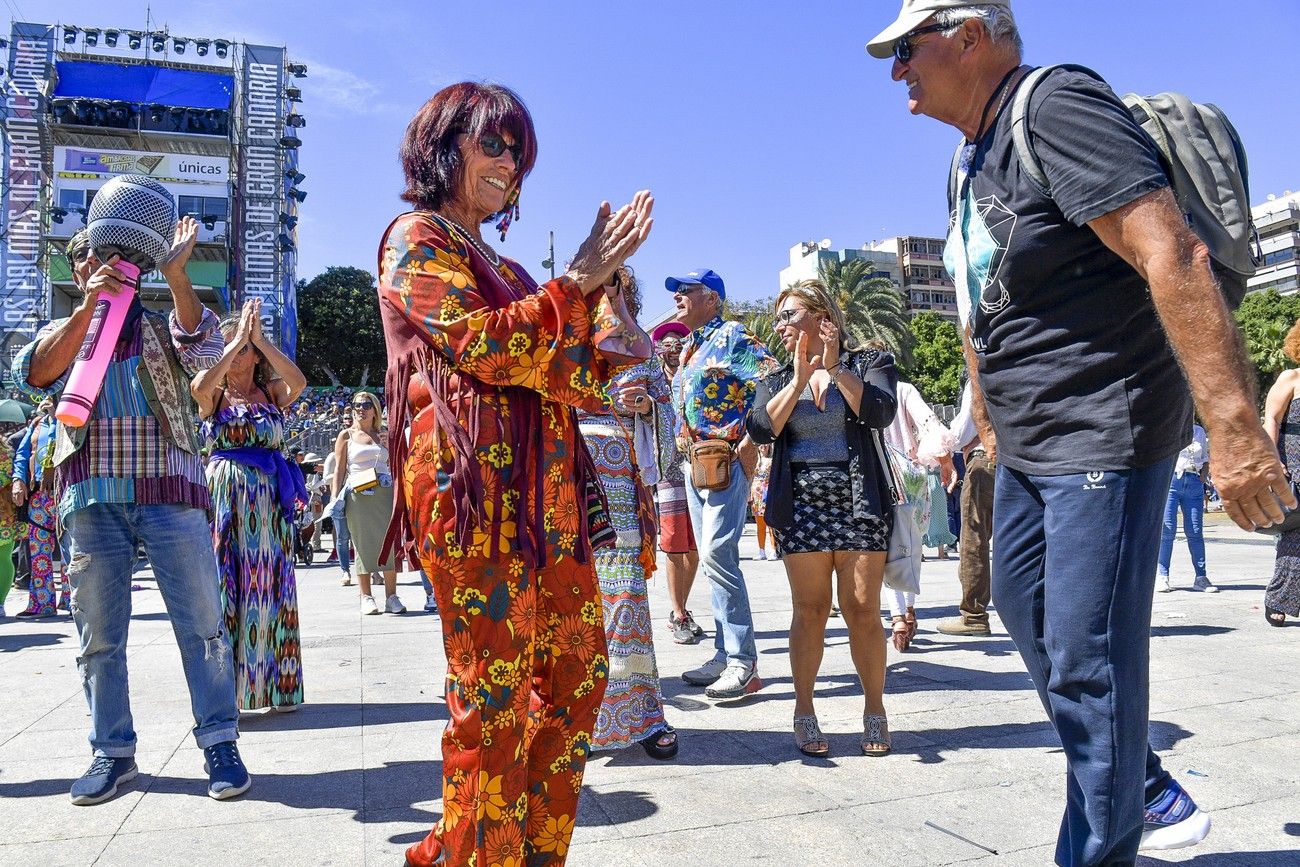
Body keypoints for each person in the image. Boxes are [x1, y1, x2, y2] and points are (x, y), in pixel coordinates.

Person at [868, 2, 1292, 861]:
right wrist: (987, 420)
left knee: (1087, 659)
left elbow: (1172, 253)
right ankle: (1138, 779)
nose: (898, 69)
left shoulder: (1056, 107)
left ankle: (1101, 837)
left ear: (970, 35)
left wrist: (1236, 428)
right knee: (1024, 609)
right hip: (1029, 444)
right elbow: (980, 301)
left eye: (908, 47)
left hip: (1103, 427)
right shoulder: (967, 158)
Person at [375, 81, 652, 867]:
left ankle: (519, 852)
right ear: (442, 148)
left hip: (548, 502)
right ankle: (471, 854)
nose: (509, 164)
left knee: (579, 675)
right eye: (492, 144)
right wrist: (576, 283)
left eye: (519, 153)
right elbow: (490, 347)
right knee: (492, 697)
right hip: (473, 498)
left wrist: (602, 293)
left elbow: (576, 374)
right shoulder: (415, 239)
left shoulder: (517, 269)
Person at [14, 223, 249, 804]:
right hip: (91, 496)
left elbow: (206, 351)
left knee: (202, 625)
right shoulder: (63, 331)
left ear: (136, 266)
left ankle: (220, 742)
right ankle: (112, 751)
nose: (105, 264)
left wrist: (176, 274)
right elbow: (36, 372)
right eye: (92, 257)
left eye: (117, 256)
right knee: (98, 636)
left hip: (170, 491)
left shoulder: (160, 324)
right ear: (77, 270)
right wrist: (91, 306)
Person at [747, 279, 898, 757]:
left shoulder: (868, 362)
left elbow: (880, 413)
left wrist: (834, 369)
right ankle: (804, 710)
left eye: (789, 315)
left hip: (859, 497)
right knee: (810, 610)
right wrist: (798, 380)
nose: (780, 326)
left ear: (821, 316)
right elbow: (760, 429)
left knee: (862, 609)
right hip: (800, 503)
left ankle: (875, 710)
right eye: (779, 318)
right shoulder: (775, 378)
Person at [578, 265, 679, 760]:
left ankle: (639, 714)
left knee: (625, 604)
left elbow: (669, 423)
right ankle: (575, 721)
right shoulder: (562, 345)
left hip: (621, 495)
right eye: (596, 284)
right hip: (567, 490)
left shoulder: (641, 350)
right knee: (574, 607)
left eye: (613, 285)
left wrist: (646, 409)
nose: (605, 294)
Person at [192, 298, 308, 711]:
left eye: (244, 349)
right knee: (228, 585)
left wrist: (260, 340)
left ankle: (277, 687)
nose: (238, 353)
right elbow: (199, 387)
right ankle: (229, 692)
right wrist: (236, 339)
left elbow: (299, 382)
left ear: (257, 356)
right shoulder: (214, 393)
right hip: (227, 501)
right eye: (230, 346)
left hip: (269, 503)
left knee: (271, 583)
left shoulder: (271, 392)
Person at [670, 267, 776, 699]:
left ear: (712, 298)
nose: (678, 296)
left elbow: (770, 378)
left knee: (717, 554)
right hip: (695, 464)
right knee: (714, 559)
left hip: (726, 459)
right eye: (676, 290)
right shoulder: (690, 346)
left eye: (687, 289)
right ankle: (723, 652)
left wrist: (753, 438)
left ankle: (742, 661)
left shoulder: (732, 335)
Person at [878, 365, 955, 651]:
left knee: (886, 549)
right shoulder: (904, 390)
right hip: (912, 476)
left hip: (879, 475)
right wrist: (945, 460)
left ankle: (897, 617)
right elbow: (929, 422)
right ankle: (909, 611)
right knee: (912, 547)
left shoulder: (863, 387)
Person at [650, 319, 704, 644]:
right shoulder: (654, 382)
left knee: (695, 544)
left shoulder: (694, 377)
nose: (673, 350)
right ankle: (678, 612)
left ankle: (682, 606)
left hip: (696, 464)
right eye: (667, 345)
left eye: (678, 345)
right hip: (667, 469)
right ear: (659, 350)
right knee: (673, 541)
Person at [331, 391, 404, 615]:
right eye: (356, 405)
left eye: (365, 405)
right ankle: (366, 596)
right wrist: (334, 498)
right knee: (361, 545)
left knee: (389, 543)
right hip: (358, 494)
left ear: (374, 409)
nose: (360, 409)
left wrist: (390, 444)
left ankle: (391, 597)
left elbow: (397, 462)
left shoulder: (384, 433)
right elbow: (339, 470)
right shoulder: (346, 435)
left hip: (385, 492)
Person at [937, 379, 995, 637]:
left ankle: (974, 616)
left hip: (985, 459)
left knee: (974, 538)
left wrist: (942, 446)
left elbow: (964, 428)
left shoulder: (981, 371)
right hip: (1023, 459)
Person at [1263, 324, 1300, 626]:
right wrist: (1273, 460)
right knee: (1294, 535)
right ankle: (1278, 599)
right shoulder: (1291, 378)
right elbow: (1272, 419)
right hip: (1294, 465)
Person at [11, 400, 63, 616]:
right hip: (39, 495)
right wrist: (18, 480)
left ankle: (73, 600)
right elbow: (22, 454)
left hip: (65, 493)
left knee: (71, 550)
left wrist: (56, 417)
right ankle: (42, 602)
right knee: (38, 550)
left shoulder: (69, 421)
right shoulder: (36, 424)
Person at [1157, 423, 1216, 594]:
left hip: (1193, 481)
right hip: (1172, 480)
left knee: (1195, 531)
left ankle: (1201, 577)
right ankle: (1162, 576)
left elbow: (1204, 457)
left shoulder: (1198, 431)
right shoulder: (1168, 425)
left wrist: (1202, 477)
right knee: (1167, 531)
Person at [0, 430, 19, 615]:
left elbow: (7, 476)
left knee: (3, 558)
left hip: (4, 513)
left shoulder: (5, 451)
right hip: (5, 513)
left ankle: (0, 602)